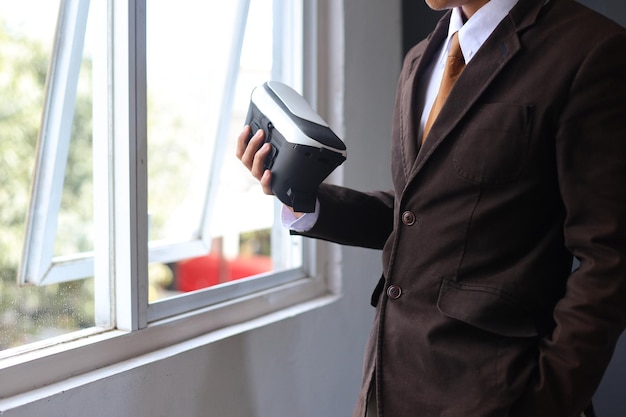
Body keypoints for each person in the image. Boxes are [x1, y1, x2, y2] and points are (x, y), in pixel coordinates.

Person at [236, 0, 626, 415]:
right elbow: (420, 216)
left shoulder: (591, 51)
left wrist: (547, 400)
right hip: (388, 387)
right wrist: (304, 198)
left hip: (500, 393)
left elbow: (611, 258)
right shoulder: (421, 58)